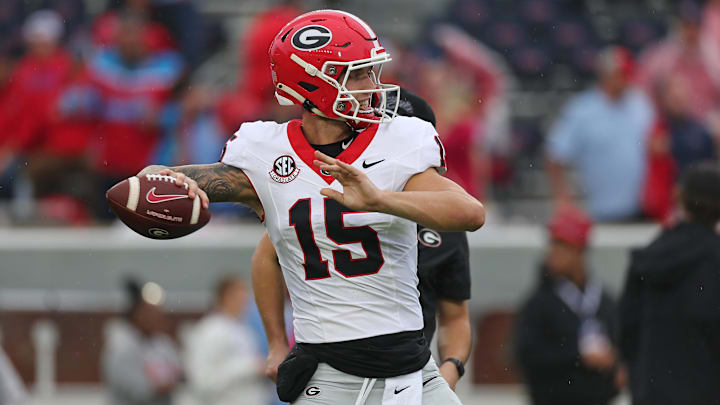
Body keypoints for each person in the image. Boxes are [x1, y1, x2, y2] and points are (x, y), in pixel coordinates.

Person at [136, 9, 484, 405]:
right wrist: (158, 178)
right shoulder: (264, 153)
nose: (373, 86)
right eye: (357, 73)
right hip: (330, 377)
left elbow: (471, 213)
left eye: (371, 71)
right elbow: (174, 184)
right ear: (313, 83)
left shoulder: (398, 140)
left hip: (413, 371)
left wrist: (379, 199)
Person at [252, 87, 473, 393]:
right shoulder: (333, 194)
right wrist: (276, 343)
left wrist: (447, 373)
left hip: (407, 369)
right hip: (333, 369)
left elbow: (455, 317)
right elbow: (266, 257)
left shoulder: (446, 221)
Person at [619, 163, 720, 405]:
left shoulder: (650, 256)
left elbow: (625, 329)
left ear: (678, 196)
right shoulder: (715, 258)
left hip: (650, 393)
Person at [514, 206, 623, 405]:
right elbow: (526, 355)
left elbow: (620, 347)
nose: (554, 252)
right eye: (553, 244)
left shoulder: (605, 301)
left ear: (580, 251)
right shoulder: (537, 304)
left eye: (563, 245)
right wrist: (579, 355)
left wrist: (617, 365)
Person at [546, 46, 655, 221]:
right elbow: (555, 154)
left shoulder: (641, 105)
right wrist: (563, 197)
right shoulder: (583, 109)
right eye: (620, 74)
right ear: (605, 75)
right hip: (599, 211)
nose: (625, 80)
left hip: (643, 208)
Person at [185, 276, 267, 405]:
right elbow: (202, 381)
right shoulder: (210, 331)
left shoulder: (244, 330)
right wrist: (252, 367)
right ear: (226, 297)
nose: (246, 302)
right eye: (241, 296)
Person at [102, 279, 183, 405]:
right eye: (150, 312)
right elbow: (142, 391)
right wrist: (167, 383)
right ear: (137, 314)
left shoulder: (161, 343)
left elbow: (181, 371)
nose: (157, 316)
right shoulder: (121, 347)